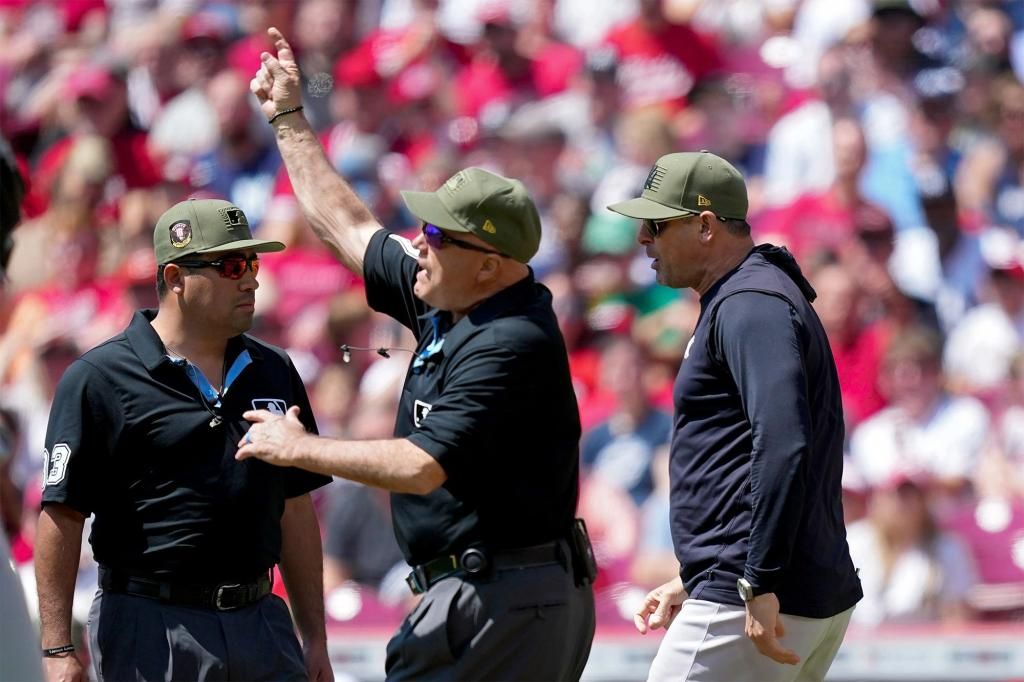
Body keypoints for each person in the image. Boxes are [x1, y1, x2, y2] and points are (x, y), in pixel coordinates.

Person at [241, 27, 596, 682]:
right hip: (485, 592)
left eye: (436, 233)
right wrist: (288, 117)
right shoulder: (452, 293)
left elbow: (420, 465)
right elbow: (345, 224)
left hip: (506, 597)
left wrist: (300, 449)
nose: (418, 243)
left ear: (489, 265)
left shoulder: (509, 339)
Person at [34, 198, 334, 682]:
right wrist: (57, 649)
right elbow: (61, 513)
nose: (252, 278)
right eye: (232, 265)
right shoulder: (98, 377)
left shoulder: (274, 369)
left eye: (253, 262)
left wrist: (314, 636)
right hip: (151, 627)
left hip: (262, 619)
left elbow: (294, 508)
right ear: (175, 278)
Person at [609, 151, 862, 681]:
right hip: (761, 587)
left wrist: (757, 581)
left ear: (704, 226)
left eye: (656, 225)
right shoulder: (749, 294)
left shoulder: (750, 303)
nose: (643, 241)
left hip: (754, 599)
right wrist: (694, 576)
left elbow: (784, 443)